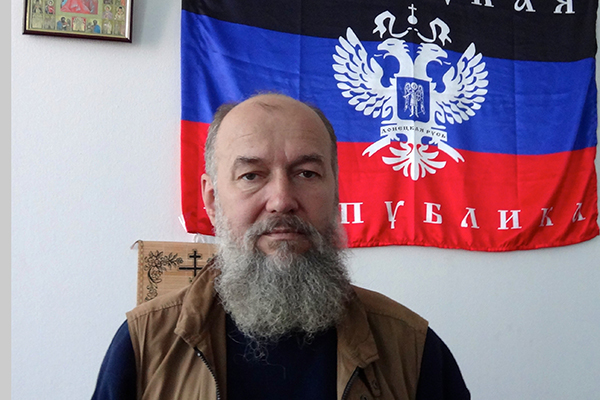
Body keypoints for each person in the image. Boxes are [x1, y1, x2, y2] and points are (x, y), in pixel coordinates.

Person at [91, 93, 470, 399]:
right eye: (251, 175)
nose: (282, 200)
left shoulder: (413, 350)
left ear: (336, 195)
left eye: (307, 173)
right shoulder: (145, 346)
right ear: (212, 199)